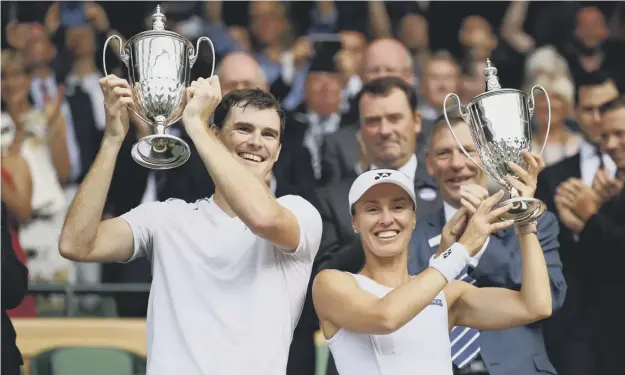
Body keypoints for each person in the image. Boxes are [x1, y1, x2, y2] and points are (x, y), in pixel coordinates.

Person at [58, 75, 323, 375]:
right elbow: (75, 244)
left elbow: (261, 217)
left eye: (269, 135)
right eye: (243, 129)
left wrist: (195, 127)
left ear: (277, 152)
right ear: (217, 134)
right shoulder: (166, 218)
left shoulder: (300, 213)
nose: (256, 142)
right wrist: (112, 139)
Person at [312, 157, 553, 375]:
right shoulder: (331, 283)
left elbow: (535, 305)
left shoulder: (445, 293)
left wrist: (525, 221)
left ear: (414, 218)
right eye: (372, 209)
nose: (386, 219)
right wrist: (460, 250)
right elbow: (386, 317)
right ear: (355, 222)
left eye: (398, 207)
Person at [409, 116, 565, 375]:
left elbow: (551, 297)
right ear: (429, 162)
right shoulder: (409, 236)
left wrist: (478, 246)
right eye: (444, 153)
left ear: (489, 155)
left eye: (468, 151)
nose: (457, 164)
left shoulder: (534, 220)